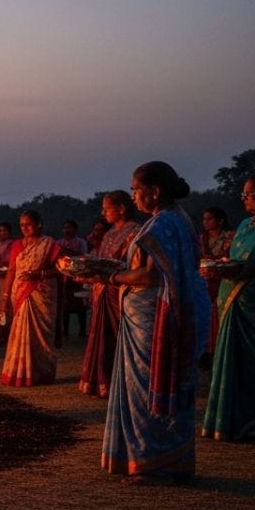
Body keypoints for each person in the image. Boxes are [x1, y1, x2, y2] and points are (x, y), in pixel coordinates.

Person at [99, 161, 208, 482]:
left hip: (155, 318)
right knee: (164, 385)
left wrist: (111, 276)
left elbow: (149, 275)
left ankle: (154, 462)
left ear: (154, 191)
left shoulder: (163, 224)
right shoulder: (178, 220)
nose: (133, 196)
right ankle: (169, 461)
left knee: (148, 388)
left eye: (136, 189)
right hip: (168, 313)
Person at [201, 173, 255, 441]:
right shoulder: (245, 225)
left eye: (249, 194)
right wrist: (221, 265)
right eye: (242, 194)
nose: (243, 199)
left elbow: (253, 263)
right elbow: (235, 259)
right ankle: (230, 421)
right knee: (232, 361)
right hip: (232, 300)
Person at [78, 191, 139, 398]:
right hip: (102, 290)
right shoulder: (110, 233)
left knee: (119, 335)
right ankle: (102, 381)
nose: (103, 212)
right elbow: (100, 260)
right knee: (101, 335)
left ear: (121, 208)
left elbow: (131, 265)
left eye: (107, 208)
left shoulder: (135, 232)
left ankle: (125, 383)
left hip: (119, 290)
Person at [0, 210, 62, 387]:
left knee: (41, 335)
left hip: (42, 294)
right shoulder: (17, 245)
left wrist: (40, 274)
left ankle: (42, 374)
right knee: (20, 333)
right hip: (20, 293)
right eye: (21, 225)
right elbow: (12, 271)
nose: (24, 228)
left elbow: (61, 269)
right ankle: (20, 373)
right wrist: (4, 296)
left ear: (38, 224)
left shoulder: (49, 244)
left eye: (28, 224)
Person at [198, 206, 236, 366]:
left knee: (216, 314)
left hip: (222, 281)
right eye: (204, 219)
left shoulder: (230, 237)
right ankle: (203, 351)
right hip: (203, 282)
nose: (205, 222)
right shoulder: (201, 239)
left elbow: (233, 258)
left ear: (220, 220)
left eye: (209, 219)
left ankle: (216, 351)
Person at [57, 219, 89, 339]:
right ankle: (65, 331)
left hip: (78, 277)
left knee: (80, 305)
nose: (67, 230)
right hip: (63, 278)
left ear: (75, 229)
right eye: (65, 228)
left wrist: (69, 253)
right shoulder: (59, 242)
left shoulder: (81, 242)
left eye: (69, 227)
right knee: (65, 306)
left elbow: (83, 256)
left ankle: (82, 331)